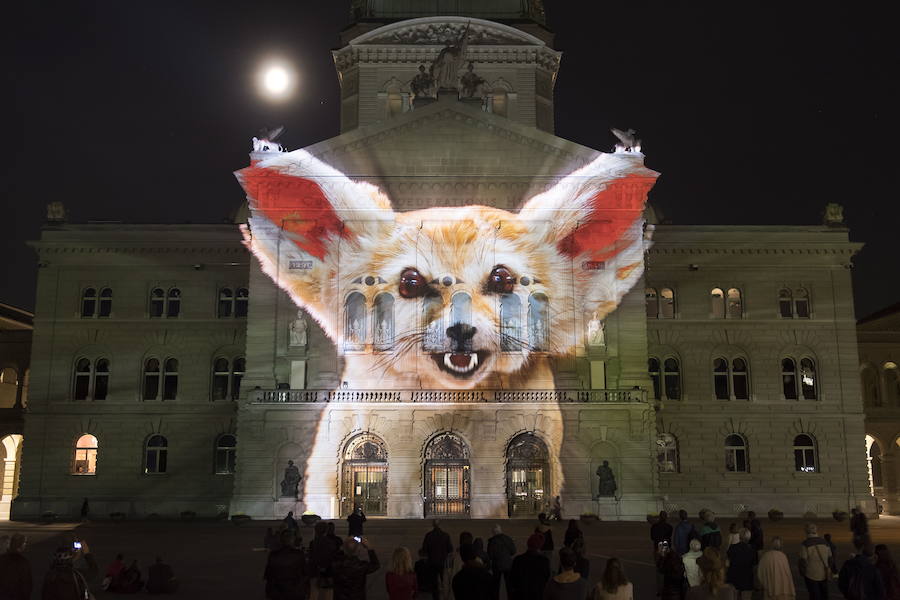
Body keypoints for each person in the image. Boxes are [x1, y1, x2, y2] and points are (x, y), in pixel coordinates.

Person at [265, 530, 309, 600]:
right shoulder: (299, 554)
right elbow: (305, 573)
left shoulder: (273, 555)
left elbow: (268, 575)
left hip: (278, 592)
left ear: (281, 540)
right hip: (295, 592)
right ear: (292, 540)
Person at [510, 533, 551, 600]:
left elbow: (512, 579)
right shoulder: (544, 561)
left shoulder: (518, 559)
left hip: (521, 595)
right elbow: (546, 578)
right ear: (540, 546)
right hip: (537, 595)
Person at [799, 523, 832, 600]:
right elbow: (830, 558)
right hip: (824, 573)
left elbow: (803, 561)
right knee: (824, 595)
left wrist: (802, 573)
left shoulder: (805, 544)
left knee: (814, 596)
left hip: (811, 574)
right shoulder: (825, 542)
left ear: (806, 532)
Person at [310, 521, 342, 600]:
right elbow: (333, 556)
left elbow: (312, 557)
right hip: (328, 571)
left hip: (316, 571)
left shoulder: (313, 543)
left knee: (314, 594)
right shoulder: (331, 543)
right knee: (328, 594)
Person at [421, 520, 453, 598]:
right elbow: (450, 549)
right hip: (443, 562)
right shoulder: (446, 535)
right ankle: (445, 596)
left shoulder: (428, 535)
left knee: (434, 583)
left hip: (432, 562)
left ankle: (436, 597)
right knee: (444, 581)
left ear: (433, 525)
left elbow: (424, 549)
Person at [726, 529, 756, 600]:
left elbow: (727, 562)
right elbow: (754, 566)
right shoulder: (752, 550)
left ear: (739, 537)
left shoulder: (732, 548)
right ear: (749, 538)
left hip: (733, 579)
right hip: (747, 580)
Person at [488, 524, 517, 600]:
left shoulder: (492, 541)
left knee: (496, 586)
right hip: (508, 564)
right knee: (509, 586)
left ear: (493, 532)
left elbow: (490, 555)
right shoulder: (508, 538)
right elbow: (513, 551)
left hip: (497, 565)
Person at [0, 533, 31, 600]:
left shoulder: (2, 559)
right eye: (24, 543)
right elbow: (26, 584)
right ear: (21, 545)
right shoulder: (23, 562)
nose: (25, 545)